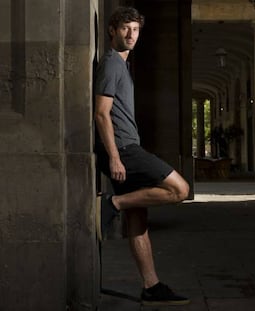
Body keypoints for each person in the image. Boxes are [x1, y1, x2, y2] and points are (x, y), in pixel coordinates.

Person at [94, 6, 190, 306]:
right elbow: (101, 113)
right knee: (179, 189)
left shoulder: (121, 65)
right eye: (125, 28)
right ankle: (112, 204)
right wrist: (115, 157)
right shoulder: (111, 63)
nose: (131, 35)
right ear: (112, 30)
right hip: (124, 149)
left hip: (126, 148)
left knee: (139, 219)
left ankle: (151, 286)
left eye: (135, 29)